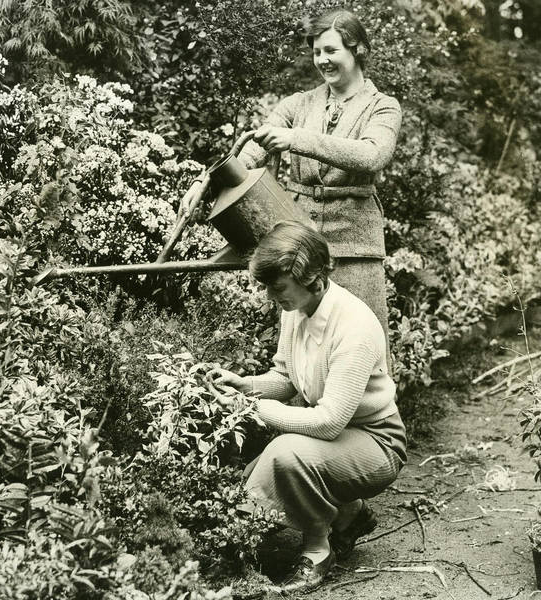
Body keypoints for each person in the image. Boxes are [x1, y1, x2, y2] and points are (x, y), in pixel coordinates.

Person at [209, 221, 407, 593]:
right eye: (267, 286)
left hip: (378, 443)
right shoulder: (294, 309)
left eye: (277, 287)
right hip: (340, 436)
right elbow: (286, 378)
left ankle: (318, 548)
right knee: (263, 466)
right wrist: (245, 386)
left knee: (285, 455)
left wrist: (248, 408)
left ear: (312, 277)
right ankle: (349, 514)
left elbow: (329, 422)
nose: (270, 296)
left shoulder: (355, 326)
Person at [238, 7, 402, 366]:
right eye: (316, 52)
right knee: (301, 354)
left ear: (357, 49)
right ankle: (303, 423)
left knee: (363, 349)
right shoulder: (298, 103)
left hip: (356, 247)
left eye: (331, 51)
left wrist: (297, 139)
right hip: (300, 247)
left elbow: (371, 156)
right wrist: (208, 179)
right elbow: (252, 149)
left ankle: (370, 422)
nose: (322, 60)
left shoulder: (383, 108)